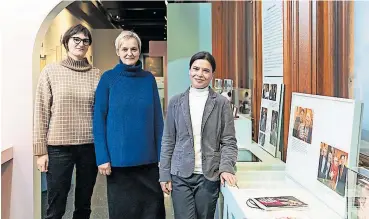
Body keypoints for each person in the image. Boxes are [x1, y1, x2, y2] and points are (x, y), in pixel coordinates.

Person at [93, 30, 165, 219]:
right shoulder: (108, 79)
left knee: (153, 212)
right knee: (123, 214)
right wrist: (102, 157)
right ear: (117, 51)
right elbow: (99, 121)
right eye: (124, 49)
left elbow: (158, 120)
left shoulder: (148, 79)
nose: (129, 53)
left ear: (139, 51)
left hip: (149, 163)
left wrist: (162, 157)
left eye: (134, 49)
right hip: (119, 164)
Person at [159, 51, 238, 219]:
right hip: (180, 175)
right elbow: (168, 140)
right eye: (195, 69)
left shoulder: (222, 103)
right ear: (189, 71)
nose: (199, 74)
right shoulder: (175, 102)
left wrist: (226, 168)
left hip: (208, 175)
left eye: (205, 70)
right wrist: (164, 174)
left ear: (212, 75)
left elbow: (229, 141)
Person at [33, 24, 100, 219]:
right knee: (56, 204)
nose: (81, 44)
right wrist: (40, 152)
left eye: (85, 41)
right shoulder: (51, 71)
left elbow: (101, 112)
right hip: (58, 148)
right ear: (66, 42)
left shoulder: (96, 74)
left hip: (89, 146)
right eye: (76, 40)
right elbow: (41, 111)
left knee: (84, 204)